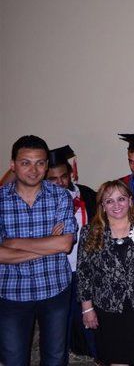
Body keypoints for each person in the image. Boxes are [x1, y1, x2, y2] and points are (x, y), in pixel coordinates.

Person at [0, 135, 77, 365]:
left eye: (40, 163)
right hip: (11, 292)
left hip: (54, 288)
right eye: (26, 163)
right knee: (13, 359)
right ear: (13, 165)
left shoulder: (61, 196)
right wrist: (49, 245)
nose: (33, 170)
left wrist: (13, 242)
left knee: (55, 358)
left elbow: (65, 244)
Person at [76, 180, 134, 365]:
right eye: (109, 201)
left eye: (121, 199)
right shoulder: (90, 233)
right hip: (108, 308)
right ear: (102, 205)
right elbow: (84, 273)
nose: (116, 205)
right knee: (116, 359)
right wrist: (87, 308)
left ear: (130, 201)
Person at [46, 145, 98, 360]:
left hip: (86, 268)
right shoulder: (43, 203)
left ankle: (99, 356)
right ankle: (61, 356)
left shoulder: (87, 195)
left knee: (92, 314)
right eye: (53, 179)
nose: (60, 182)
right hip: (59, 270)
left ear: (71, 174)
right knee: (61, 319)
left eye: (63, 176)